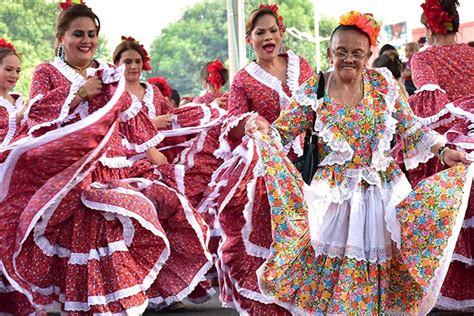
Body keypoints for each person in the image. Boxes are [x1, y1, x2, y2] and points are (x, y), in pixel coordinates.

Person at [246, 10, 471, 314]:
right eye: (341, 52)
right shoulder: (315, 89)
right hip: (334, 201)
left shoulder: (384, 85)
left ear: (368, 55)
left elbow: (412, 129)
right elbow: (281, 132)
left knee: (384, 280)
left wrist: (444, 152)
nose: (349, 59)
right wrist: (262, 131)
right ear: (330, 53)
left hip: (383, 198)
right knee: (335, 282)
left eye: (357, 53)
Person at [0, 3, 191, 314]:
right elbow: (35, 115)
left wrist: (161, 164)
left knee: (111, 245)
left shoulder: (106, 73)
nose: (86, 40)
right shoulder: (47, 72)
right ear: (61, 37)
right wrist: (80, 94)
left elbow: (131, 118)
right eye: (78, 34)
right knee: (88, 247)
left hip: (112, 172)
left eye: (91, 34)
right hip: (73, 178)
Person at [197, 4, 313, 314]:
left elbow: (321, 103)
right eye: (260, 32)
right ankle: (270, 300)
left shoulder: (301, 66)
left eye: (272, 30)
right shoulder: (243, 79)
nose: (268, 37)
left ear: (281, 33)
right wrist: (250, 122)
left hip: (311, 161)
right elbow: (232, 121)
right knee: (270, 228)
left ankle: (307, 295)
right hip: (269, 164)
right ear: (250, 38)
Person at [112, 36, 215, 309]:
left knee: (175, 216)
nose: (133, 67)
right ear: (116, 64)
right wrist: (149, 126)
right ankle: (138, 291)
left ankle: (167, 293)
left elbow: (173, 119)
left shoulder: (152, 92)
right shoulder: (113, 95)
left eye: (136, 61)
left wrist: (206, 112)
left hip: (158, 161)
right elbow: (111, 133)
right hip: (126, 164)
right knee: (142, 226)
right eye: (127, 62)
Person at [406, 0, 474, 311]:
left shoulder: (424, 58)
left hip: (454, 151)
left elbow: (428, 110)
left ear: (430, 27)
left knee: (452, 220)